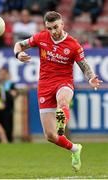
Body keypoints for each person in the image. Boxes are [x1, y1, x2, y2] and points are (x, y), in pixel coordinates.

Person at [14, 11, 102, 171]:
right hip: (45, 86)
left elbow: (84, 65)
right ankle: (75, 149)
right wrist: (18, 54)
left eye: (55, 27)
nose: (53, 31)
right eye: (49, 28)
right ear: (45, 27)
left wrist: (91, 78)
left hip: (64, 82)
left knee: (63, 102)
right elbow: (19, 44)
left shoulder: (73, 44)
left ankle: (62, 121)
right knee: (50, 136)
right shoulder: (41, 37)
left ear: (62, 24)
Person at [0, 67, 18, 142]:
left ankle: (8, 141)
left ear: (7, 74)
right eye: (1, 74)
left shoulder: (10, 84)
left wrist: (14, 93)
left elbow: (15, 93)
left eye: (4, 74)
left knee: (8, 126)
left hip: (8, 109)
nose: (2, 76)